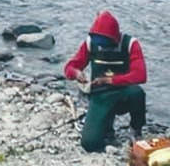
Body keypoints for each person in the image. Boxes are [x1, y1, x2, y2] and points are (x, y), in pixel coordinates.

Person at [63, 10, 147, 152]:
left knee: (137, 93)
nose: (102, 44)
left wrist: (110, 80)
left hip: (123, 93)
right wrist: (76, 73)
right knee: (89, 144)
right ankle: (107, 129)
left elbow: (140, 75)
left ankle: (136, 130)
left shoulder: (130, 44)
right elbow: (69, 67)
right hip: (100, 97)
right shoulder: (90, 44)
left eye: (105, 41)